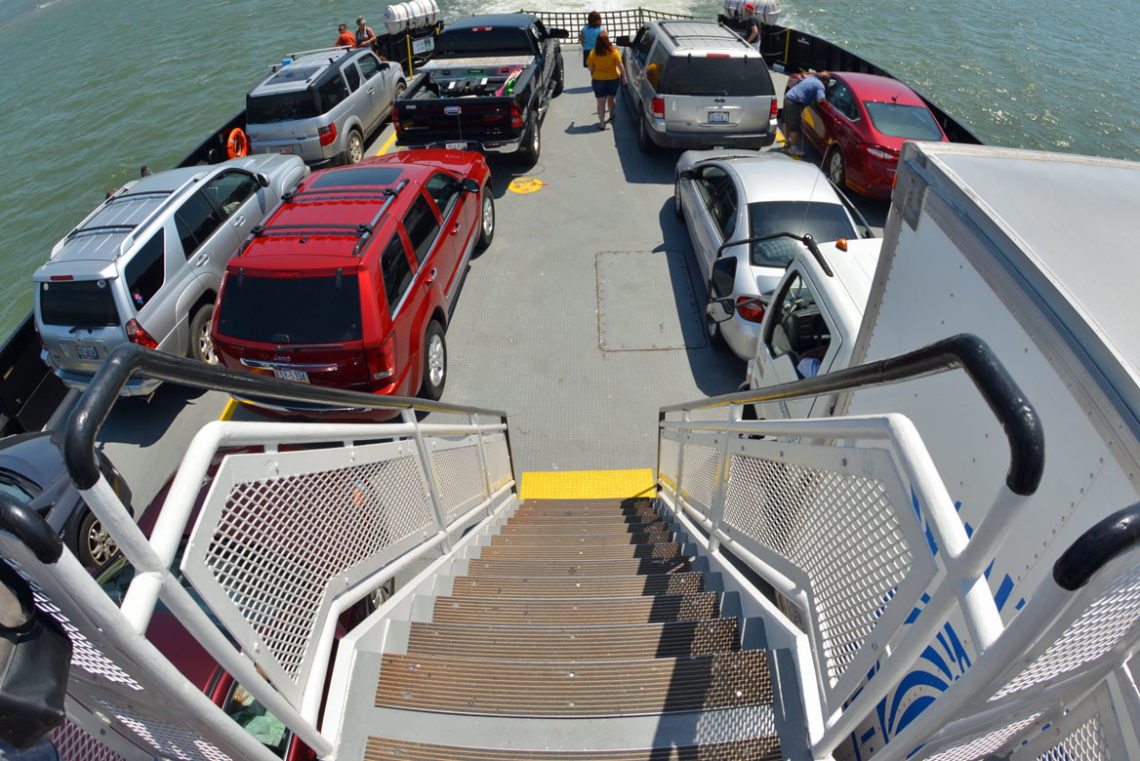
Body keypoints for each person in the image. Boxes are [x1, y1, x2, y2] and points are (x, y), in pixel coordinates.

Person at [781, 71, 830, 156]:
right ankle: (793, 149)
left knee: (786, 122)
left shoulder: (811, 78)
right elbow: (819, 99)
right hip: (795, 103)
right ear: (825, 81)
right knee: (794, 127)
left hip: (788, 97)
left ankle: (787, 142)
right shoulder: (820, 86)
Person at [587, 33, 625, 130]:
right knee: (611, 99)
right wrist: (624, 76)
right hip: (613, 79)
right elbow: (621, 66)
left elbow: (590, 67)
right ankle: (612, 115)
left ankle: (602, 123)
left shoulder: (593, 53)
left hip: (598, 80)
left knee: (600, 102)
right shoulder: (614, 52)